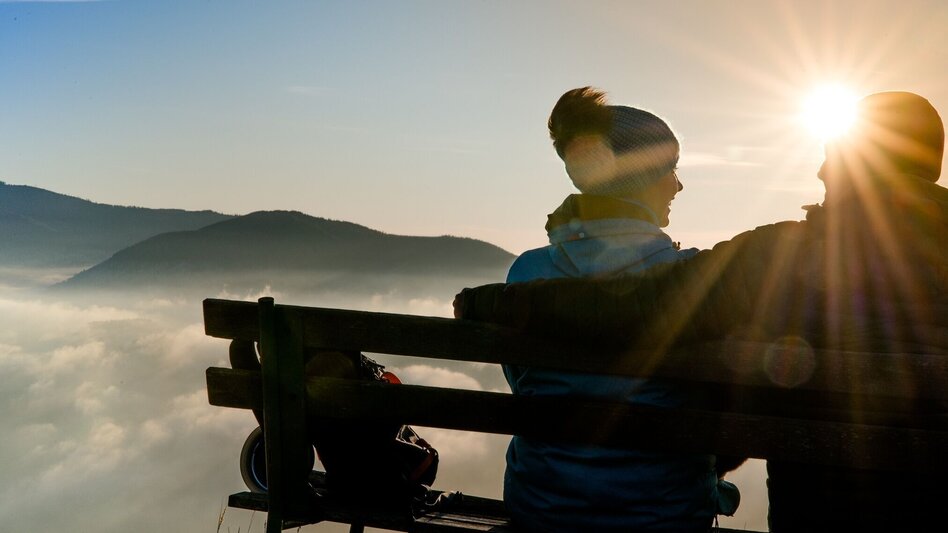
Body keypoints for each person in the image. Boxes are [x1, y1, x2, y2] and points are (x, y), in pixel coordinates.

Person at [455, 91, 948, 531]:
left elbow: (636, 309)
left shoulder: (785, 254)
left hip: (819, 515)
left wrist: (496, 302)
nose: (820, 171)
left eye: (832, 157)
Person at [490, 86, 739, 533]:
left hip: (541, 509)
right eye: (670, 170)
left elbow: (522, 382)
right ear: (639, 178)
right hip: (665, 518)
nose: (679, 185)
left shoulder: (526, 274)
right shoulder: (694, 280)